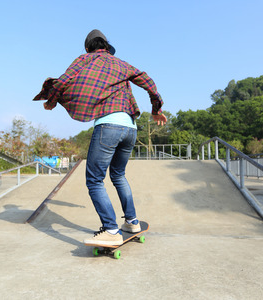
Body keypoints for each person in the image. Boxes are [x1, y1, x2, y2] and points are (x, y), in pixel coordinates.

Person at [33, 29, 167, 246]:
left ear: (88, 48)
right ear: (107, 47)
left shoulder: (85, 60)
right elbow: (148, 82)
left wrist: (52, 101)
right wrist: (155, 108)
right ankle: (132, 222)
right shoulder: (121, 64)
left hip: (108, 126)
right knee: (118, 175)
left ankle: (111, 230)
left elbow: (62, 81)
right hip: (131, 128)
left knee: (95, 179)